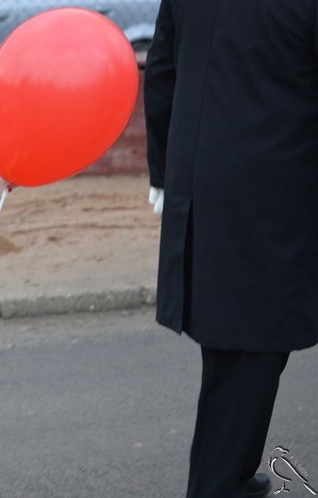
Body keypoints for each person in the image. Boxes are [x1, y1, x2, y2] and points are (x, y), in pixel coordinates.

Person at [144, 1, 318, 497]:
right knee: (249, 352)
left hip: (204, 194)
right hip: (270, 201)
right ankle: (218, 484)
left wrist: (165, 174)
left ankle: (234, 474)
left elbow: (161, 71)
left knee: (239, 354)